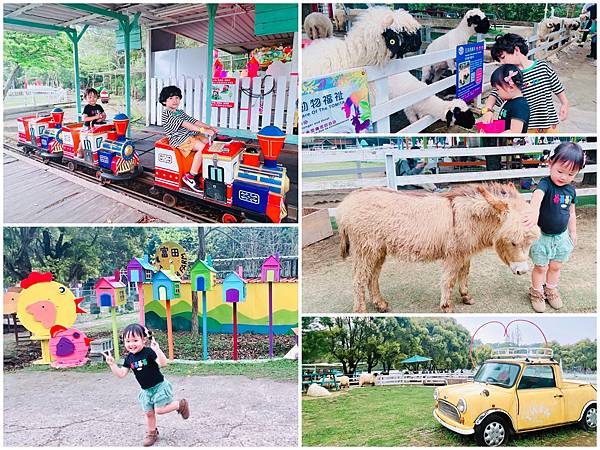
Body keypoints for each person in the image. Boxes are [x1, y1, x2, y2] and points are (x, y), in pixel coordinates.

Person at [523, 142, 585, 313]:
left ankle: (550, 289)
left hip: (561, 237)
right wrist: (534, 213)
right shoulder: (545, 184)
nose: (564, 177)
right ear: (550, 163)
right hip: (542, 236)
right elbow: (537, 197)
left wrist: (573, 232)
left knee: (556, 266)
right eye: (560, 171)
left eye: (571, 173)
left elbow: (571, 213)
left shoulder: (571, 191)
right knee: (541, 267)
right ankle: (536, 292)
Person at [103, 324, 190, 446]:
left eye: (135, 340)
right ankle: (152, 433)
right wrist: (112, 365)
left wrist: (157, 350)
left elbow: (163, 363)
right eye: (127, 341)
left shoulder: (148, 352)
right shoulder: (129, 358)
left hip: (159, 386)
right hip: (146, 391)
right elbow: (121, 374)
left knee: (159, 410)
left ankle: (180, 404)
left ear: (143, 340)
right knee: (149, 413)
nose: (131, 344)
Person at [480, 33, 568, 133]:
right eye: (499, 60)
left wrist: (564, 103)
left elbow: (557, 87)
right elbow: (495, 94)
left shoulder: (543, 67)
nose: (502, 63)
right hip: (527, 128)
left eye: (503, 57)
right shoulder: (510, 75)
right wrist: (487, 110)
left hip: (550, 126)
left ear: (516, 50)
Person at [159, 85, 218, 192]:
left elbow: (193, 121)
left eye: (177, 97)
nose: (175, 100)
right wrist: (203, 130)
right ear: (164, 102)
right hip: (179, 139)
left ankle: (206, 171)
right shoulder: (167, 114)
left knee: (210, 143)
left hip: (189, 136)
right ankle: (190, 176)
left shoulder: (179, 112)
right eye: (171, 98)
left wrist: (209, 127)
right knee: (203, 148)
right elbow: (186, 124)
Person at [485, 64, 529, 133]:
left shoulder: (520, 105)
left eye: (497, 89)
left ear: (511, 87)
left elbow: (515, 132)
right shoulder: (511, 100)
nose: (497, 93)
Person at [77, 88, 107, 158]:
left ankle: (97, 151)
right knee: (84, 139)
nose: (92, 99)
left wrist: (102, 118)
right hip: (87, 127)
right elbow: (84, 118)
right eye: (90, 97)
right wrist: (96, 117)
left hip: (97, 127)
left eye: (94, 97)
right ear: (85, 98)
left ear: (97, 97)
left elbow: (104, 114)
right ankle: (80, 150)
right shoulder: (87, 107)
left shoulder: (99, 106)